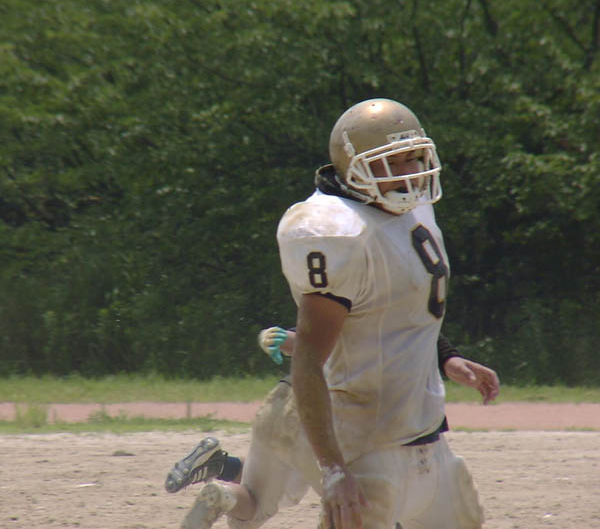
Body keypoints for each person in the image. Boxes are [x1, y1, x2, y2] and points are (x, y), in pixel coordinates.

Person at [283, 98, 484, 528]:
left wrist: (446, 355)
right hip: (369, 450)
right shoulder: (337, 231)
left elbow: (399, 307)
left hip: (430, 440)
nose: (409, 172)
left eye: (413, 158)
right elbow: (308, 359)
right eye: (393, 162)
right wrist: (333, 469)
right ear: (353, 167)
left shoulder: (411, 208)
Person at [169, 327, 498, 529]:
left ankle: (221, 482)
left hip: (280, 403)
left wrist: (282, 337)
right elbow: (406, 327)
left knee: (253, 505)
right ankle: (223, 470)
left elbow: (320, 331)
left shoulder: (341, 278)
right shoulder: (389, 287)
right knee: (358, 505)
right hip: (325, 416)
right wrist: (448, 359)